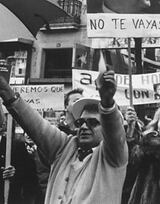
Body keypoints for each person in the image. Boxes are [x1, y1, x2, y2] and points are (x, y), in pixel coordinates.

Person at [0, 70, 128, 204]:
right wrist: (6, 92)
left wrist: (107, 103)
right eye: (80, 122)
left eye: (93, 123)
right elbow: (36, 125)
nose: (84, 127)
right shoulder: (65, 147)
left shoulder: (113, 157)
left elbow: (114, 131)